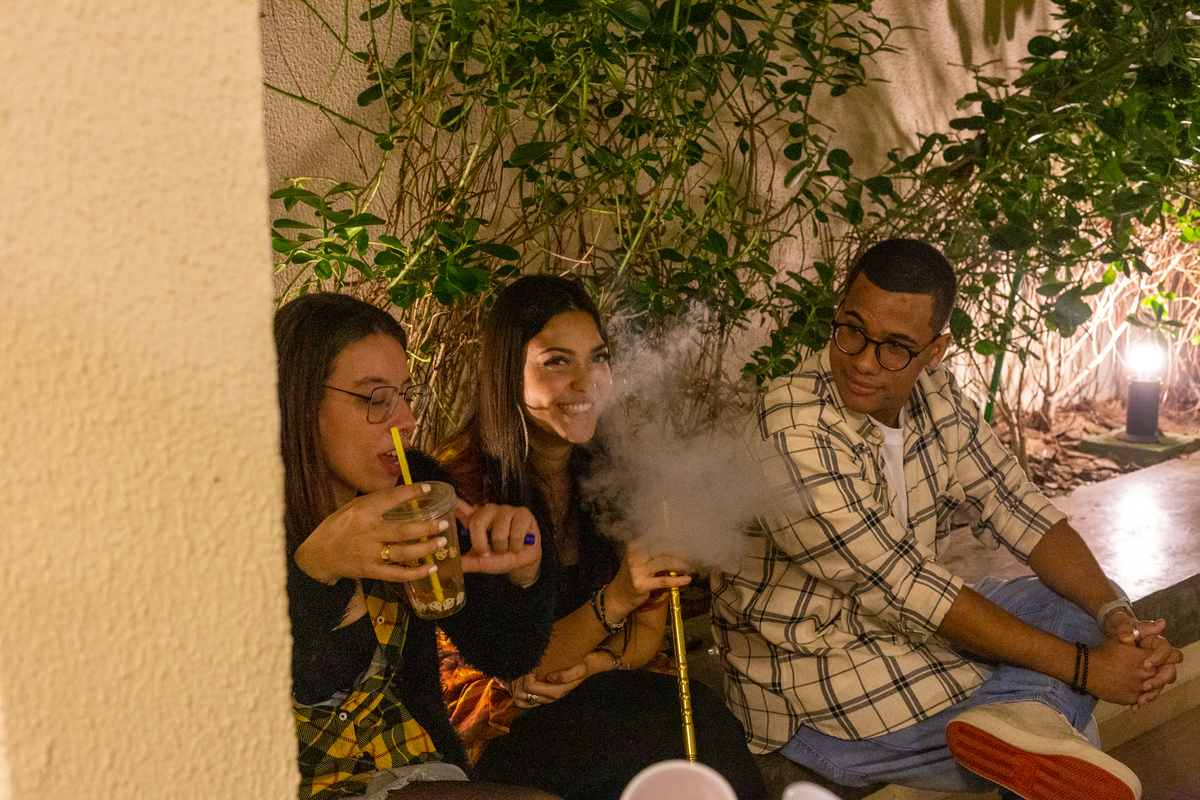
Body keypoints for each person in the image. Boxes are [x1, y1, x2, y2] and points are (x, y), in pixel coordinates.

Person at [711, 239, 1184, 799]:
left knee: (1081, 608)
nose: (863, 360)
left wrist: (1120, 623)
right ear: (838, 312)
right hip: (815, 680)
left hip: (907, 632)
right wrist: (1087, 670)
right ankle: (1038, 720)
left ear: (935, 350)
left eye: (895, 347)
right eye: (852, 330)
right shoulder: (791, 425)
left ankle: (1036, 718)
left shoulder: (936, 396)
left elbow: (1019, 507)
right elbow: (906, 585)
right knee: (1057, 722)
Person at [435, 275, 768, 800]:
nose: (587, 382)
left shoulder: (616, 467)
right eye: (557, 362)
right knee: (634, 759)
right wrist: (617, 596)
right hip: (507, 714)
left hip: (601, 682)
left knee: (708, 727)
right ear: (506, 373)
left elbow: (647, 635)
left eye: (599, 359)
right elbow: (522, 668)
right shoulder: (464, 490)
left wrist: (598, 661)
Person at [275, 292, 560, 800]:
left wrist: (521, 575)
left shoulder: (415, 488)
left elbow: (508, 655)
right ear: (299, 403)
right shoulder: (230, 521)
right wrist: (316, 570)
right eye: (374, 398)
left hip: (415, 769)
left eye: (405, 395)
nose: (405, 420)